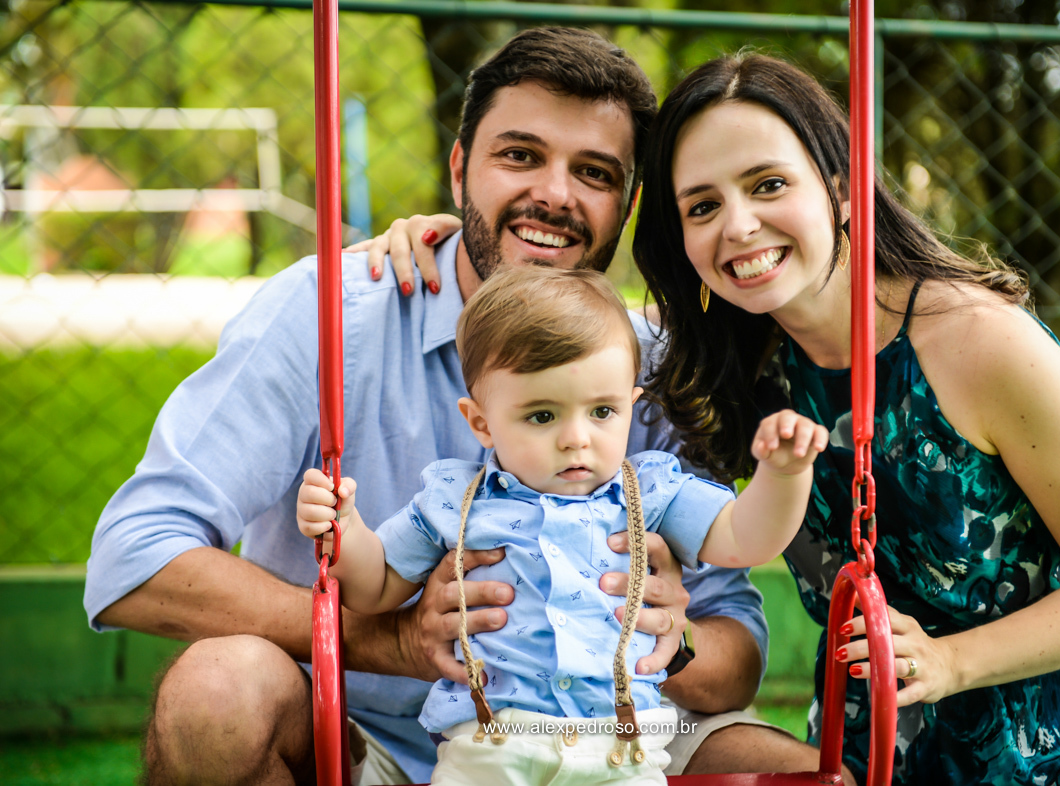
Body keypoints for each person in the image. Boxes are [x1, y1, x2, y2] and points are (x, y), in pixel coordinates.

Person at [84, 29, 824, 785]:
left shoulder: (646, 368)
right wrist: (389, 640)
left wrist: (672, 638)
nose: (555, 194)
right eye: (519, 155)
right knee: (216, 695)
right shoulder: (331, 314)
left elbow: (733, 653)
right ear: (459, 168)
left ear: (627, 204)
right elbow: (135, 557)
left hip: (604, 738)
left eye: (594, 172)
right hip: (358, 736)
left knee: (793, 775)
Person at [623, 52, 1060, 784]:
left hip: (1054, 749)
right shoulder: (737, 359)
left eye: (767, 184)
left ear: (841, 190)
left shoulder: (979, 342)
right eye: (702, 206)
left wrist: (951, 660)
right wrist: (440, 235)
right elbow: (554, 335)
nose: (738, 225)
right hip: (867, 753)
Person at [296, 265, 827, 785]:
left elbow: (745, 539)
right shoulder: (455, 500)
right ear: (480, 422)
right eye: (543, 416)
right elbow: (375, 586)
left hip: (621, 749)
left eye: (601, 412)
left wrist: (783, 475)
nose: (577, 438)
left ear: (630, 404)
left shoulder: (651, 491)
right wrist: (343, 530)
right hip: (491, 746)